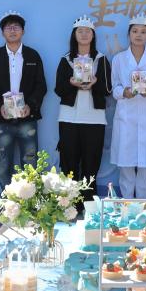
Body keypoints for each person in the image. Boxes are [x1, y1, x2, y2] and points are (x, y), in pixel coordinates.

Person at [0, 11, 47, 192]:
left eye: (16, 27)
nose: (12, 30)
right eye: (8, 27)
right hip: (1, 119)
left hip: (27, 118)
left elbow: (41, 85)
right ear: (2, 32)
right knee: (3, 163)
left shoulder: (32, 55)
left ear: (23, 31)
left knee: (30, 163)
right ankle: (8, 203)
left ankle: (29, 202)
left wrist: (30, 105)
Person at [110, 12, 146, 198]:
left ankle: (143, 202)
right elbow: (114, 87)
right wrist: (124, 92)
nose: (139, 35)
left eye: (143, 32)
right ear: (129, 34)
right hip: (126, 116)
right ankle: (127, 203)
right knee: (126, 165)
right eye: (135, 31)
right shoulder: (119, 59)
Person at [55, 15, 111, 202]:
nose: (84, 34)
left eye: (88, 31)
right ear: (74, 35)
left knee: (91, 164)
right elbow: (58, 89)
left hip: (95, 119)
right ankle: (69, 205)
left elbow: (108, 89)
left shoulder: (101, 59)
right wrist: (71, 83)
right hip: (69, 118)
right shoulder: (66, 60)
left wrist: (95, 83)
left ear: (93, 35)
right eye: (80, 31)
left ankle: (88, 205)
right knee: (69, 163)